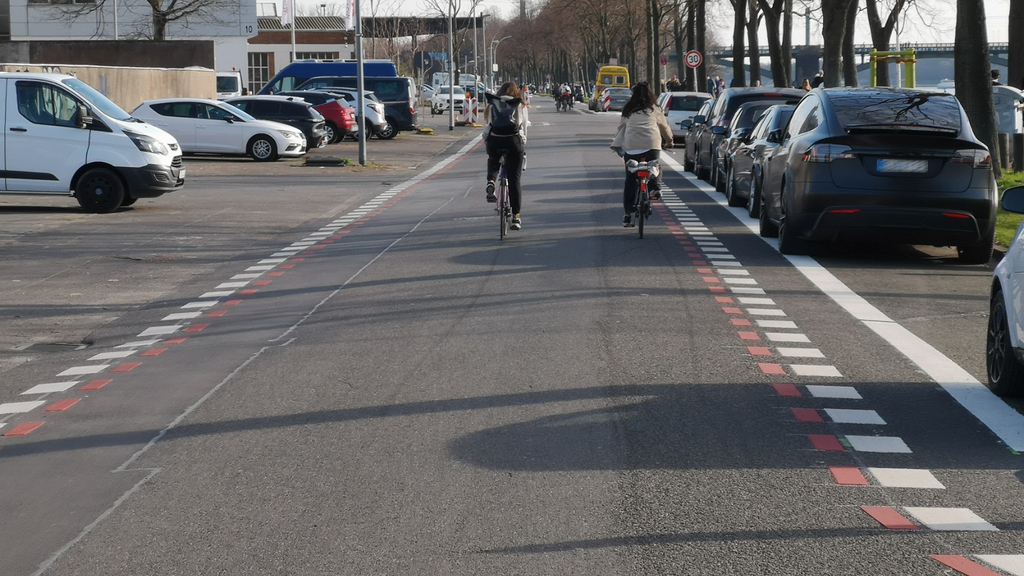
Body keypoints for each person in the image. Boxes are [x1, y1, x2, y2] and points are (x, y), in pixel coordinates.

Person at [609, 82, 674, 227]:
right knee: (655, 166)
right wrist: (669, 141)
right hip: (652, 146)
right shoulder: (655, 109)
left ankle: (627, 215)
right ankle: (655, 188)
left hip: (631, 148)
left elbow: (621, 127)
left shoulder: (629, 109)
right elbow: (664, 127)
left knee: (630, 180)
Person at [484, 82, 528, 230]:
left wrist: (487, 139)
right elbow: (524, 128)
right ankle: (516, 217)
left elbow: (488, 125)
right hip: (513, 141)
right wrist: (523, 144)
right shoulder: (519, 104)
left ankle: (491, 181)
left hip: (495, 140)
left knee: (493, 159)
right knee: (514, 178)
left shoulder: (493, 104)